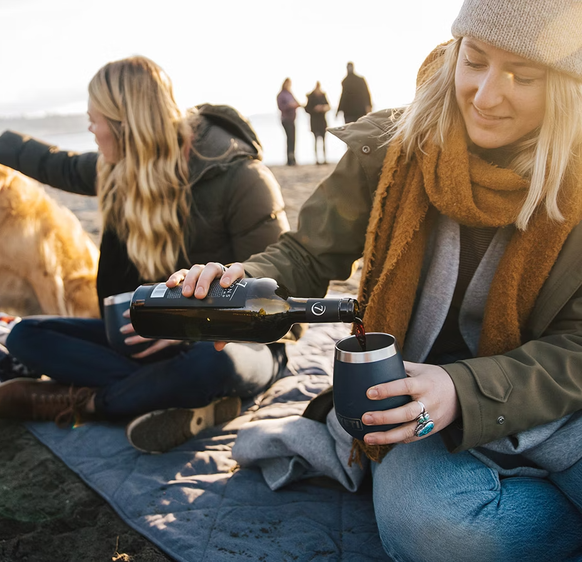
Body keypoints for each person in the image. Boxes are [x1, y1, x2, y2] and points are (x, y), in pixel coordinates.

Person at [161, 0, 582, 559]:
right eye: (474, 61)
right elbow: (306, 253)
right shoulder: (392, 147)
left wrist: (466, 389)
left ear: (565, 82)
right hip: (408, 407)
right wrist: (243, 279)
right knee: (434, 529)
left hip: (553, 405)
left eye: (521, 76)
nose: (484, 95)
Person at [0, 55, 291, 453]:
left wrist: (198, 324)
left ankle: (90, 402)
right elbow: (59, 164)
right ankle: (175, 396)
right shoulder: (119, 170)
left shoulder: (242, 178)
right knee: (26, 335)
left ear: (126, 125)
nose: (89, 129)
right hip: (146, 339)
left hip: (231, 345)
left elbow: (278, 292)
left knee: (211, 365)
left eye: (96, 119)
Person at [304, 82, 330, 165]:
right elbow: (307, 109)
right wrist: (315, 109)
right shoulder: (311, 97)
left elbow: (328, 106)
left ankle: (325, 158)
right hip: (315, 121)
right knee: (316, 140)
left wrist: (323, 108)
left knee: (323, 140)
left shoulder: (323, 95)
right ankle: (317, 159)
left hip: (322, 121)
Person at [276, 78, 300, 166]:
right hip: (286, 119)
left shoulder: (290, 94)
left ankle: (292, 157)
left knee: (293, 139)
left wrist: (296, 105)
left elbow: (297, 102)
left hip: (292, 118)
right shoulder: (281, 95)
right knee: (289, 138)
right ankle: (289, 159)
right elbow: (281, 107)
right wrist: (289, 106)